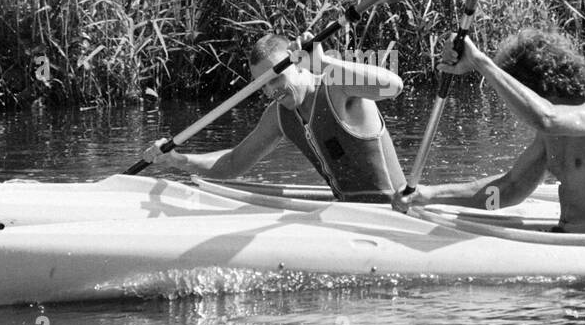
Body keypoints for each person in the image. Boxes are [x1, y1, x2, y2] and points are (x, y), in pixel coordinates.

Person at [393, 29, 585, 234]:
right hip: (568, 243)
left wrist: (481, 63)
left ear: (537, 86)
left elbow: (546, 118)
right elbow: (508, 191)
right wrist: (429, 195)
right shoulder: (551, 137)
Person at [144, 33, 407, 202]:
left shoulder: (337, 87)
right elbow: (234, 162)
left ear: (300, 65)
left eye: (277, 77)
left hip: (395, 213)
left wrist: (324, 63)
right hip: (348, 212)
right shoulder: (279, 115)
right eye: (263, 85)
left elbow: (393, 86)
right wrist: (178, 160)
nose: (271, 90)